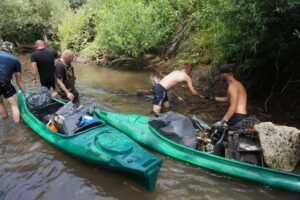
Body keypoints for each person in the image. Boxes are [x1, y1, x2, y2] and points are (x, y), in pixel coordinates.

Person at [0, 41, 27, 122]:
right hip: (4, 81)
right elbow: (19, 81)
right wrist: (25, 94)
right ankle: (18, 128)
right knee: (14, 105)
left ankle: (5, 119)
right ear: (11, 50)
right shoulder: (15, 60)